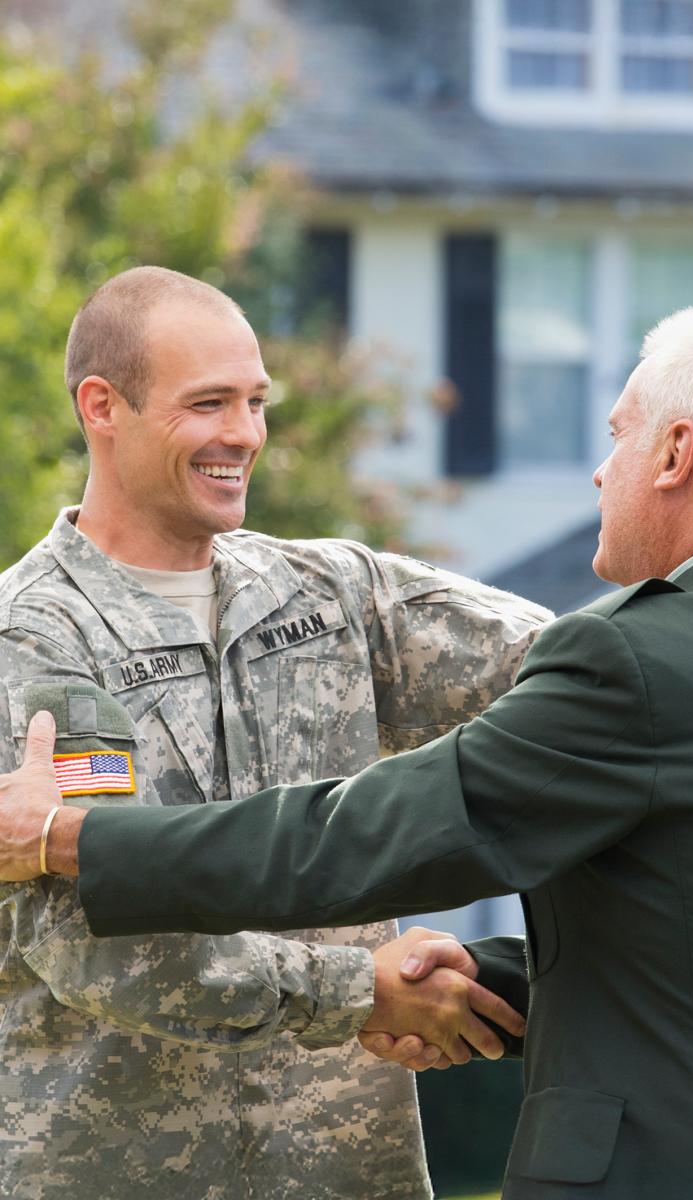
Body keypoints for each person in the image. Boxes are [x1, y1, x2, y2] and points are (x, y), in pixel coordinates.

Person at [0, 266, 545, 1200]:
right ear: (102, 406)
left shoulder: (330, 595)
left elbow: (588, 674)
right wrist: (361, 990)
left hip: (349, 1177)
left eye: (256, 402)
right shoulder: (40, 639)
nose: (244, 435)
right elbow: (96, 937)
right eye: (208, 404)